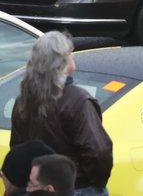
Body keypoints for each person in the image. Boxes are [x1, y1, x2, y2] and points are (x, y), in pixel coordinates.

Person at [10, 32, 112, 196]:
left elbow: (18, 149)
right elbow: (98, 153)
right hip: (75, 188)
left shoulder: (23, 100)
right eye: (70, 54)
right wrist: (93, 184)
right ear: (61, 62)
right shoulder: (78, 101)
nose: (73, 57)